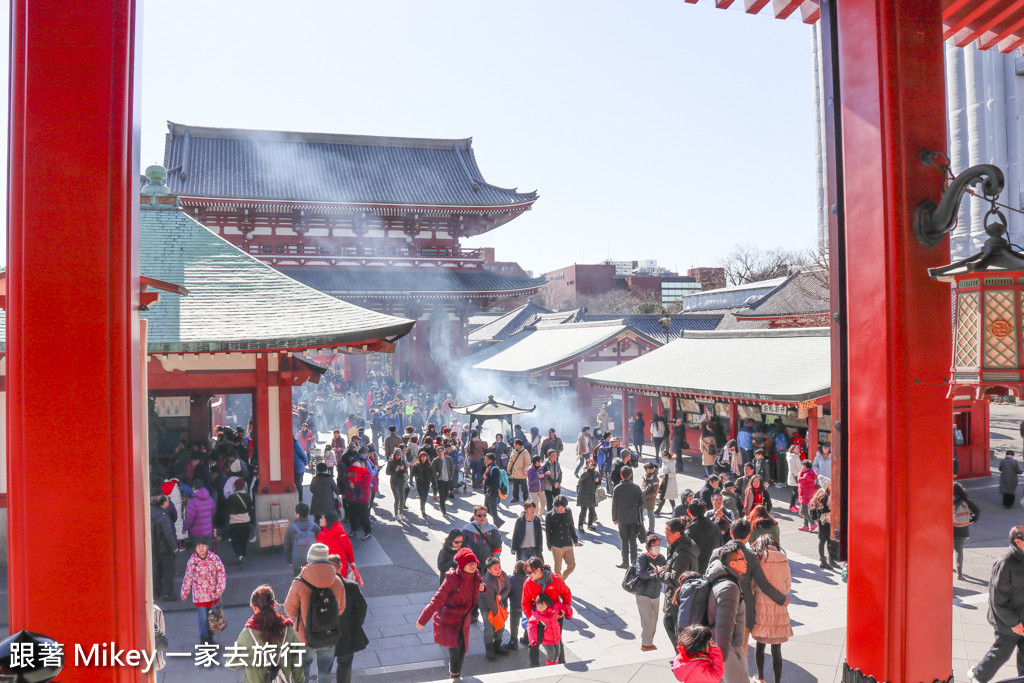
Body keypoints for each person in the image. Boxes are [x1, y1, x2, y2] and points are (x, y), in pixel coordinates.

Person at [284, 542, 347, 683]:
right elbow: (341, 609)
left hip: (304, 637)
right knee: (325, 672)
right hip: (329, 634)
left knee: (302, 672)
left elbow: (290, 610)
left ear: (309, 559)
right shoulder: (337, 581)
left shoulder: (299, 582)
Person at [968, 525, 1024, 683]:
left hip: (1022, 615)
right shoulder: (1005, 563)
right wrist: (1014, 623)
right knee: (1001, 653)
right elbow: (997, 599)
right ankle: (978, 676)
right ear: (1019, 542)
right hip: (1008, 621)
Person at [417, 547, 484, 680]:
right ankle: (454, 674)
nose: (473, 566)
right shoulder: (452, 579)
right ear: (461, 564)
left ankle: (456, 673)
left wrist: (483, 587)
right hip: (449, 618)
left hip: (464, 618)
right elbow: (437, 599)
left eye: (474, 563)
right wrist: (422, 619)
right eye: (469, 563)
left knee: (463, 648)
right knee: (456, 646)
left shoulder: (476, 575)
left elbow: (481, 583)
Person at [226, 585, 305, 683]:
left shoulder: (248, 633)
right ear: (274, 604)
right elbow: (297, 666)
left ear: (254, 607)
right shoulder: (288, 629)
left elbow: (231, 663)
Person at [750, 535, 793, 683]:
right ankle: (777, 681)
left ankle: (760, 677)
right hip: (779, 606)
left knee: (760, 644)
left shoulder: (757, 559)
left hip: (760, 606)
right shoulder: (783, 560)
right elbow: (787, 587)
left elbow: (752, 584)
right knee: (777, 649)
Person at [704, 540, 748, 683]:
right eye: (742, 559)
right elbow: (724, 625)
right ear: (732, 564)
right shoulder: (729, 587)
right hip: (729, 649)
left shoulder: (723, 578)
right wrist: (722, 658)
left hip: (722, 647)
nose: (746, 561)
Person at [522, 557, 573, 667]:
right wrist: (533, 618)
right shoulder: (528, 583)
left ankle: (561, 663)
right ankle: (534, 667)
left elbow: (566, 593)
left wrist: (564, 609)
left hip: (555, 617)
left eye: (529, 572)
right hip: (538, 619)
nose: (528, 575)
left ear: (538, 570)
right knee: (533, 643)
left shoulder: (555, 579)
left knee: (557, 640)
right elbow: (525, 603)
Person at [658, 518, 699, 647]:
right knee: (670, 623)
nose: (665, 537)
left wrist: (661, 573)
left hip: (679, 598)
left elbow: (676, 578)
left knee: (675, 628)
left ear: (677, 534)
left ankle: (682, 657)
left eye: (667, 533)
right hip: (680, 596)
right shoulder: (683, 545)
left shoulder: (682, 552)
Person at [328, 553, 368, 683]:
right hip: (347, 632)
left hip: (326, 634)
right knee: (345, 664)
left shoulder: (320, 587)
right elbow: (362, 607)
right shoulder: (351, 586)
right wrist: (357, 624)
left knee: (324, 665)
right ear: (341, 566)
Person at [179, 537, 226, 645]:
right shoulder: (192, 561)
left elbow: (221, 573)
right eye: (199, 546)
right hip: (199, 596)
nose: (201, 549)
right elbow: (188, 577)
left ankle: (210, 636)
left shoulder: (214, 558)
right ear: (195, 548)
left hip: (213, 594)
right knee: (203, 619)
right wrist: (184, 593)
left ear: (207, 547)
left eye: (203, 546)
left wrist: (220, 588)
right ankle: (204, 639)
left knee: (213, 617)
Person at [634, 534, 667, 652]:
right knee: (646, 619)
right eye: (654, 546)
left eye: (658, 545)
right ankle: (645, 643)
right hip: (643, 593)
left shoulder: (661, 558)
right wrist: (654, 572)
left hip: (655, 592)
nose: (657, 548)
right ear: (648, 547)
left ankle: (649, 642)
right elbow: (640, 573)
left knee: (654, 619)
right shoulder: (642, 557)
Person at [478, 556, 512, 660]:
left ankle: (498, 646)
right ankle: (489, 649)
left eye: (499, 567)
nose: (498, 571)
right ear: (489, 570)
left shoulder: (503, 575)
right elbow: (489, 600)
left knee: (500, 626)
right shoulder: (486, 581)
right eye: (495, 569)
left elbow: (508, 587)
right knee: (490, 628)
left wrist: (502, 596)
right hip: (487, 606)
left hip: (499, 602)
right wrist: (497, 614)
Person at [612, 465, 644, 569]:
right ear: (630, 475)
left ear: (621, 475)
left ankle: (625, 562)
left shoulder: (617, 488)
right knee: (633, 541)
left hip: (622, 518)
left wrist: (614, 518)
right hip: (634, 518)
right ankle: (634, 562)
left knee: (624, 541)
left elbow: (614, 505)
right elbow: (642, 503)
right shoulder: (636, 488)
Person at [527, 592, 572, 666]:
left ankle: (556, 664)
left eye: (542, 605)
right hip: (546, 639)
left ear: (547, 604)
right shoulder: (536, 616)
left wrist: (568, 614)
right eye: (538, 605)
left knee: (557, 652)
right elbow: (531, 626)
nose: (540, 607)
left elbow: (565, 607)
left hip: (556, 636)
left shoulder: (554, 607)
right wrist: (533, 639)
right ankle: (550, 666)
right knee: (551, 652)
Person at [317, 511, 359, 584]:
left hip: (328, 567)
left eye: (322, 519)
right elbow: (349, 548)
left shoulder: (322, 535)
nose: (320, 519)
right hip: (342, 565)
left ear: (328, 521)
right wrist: (351, 562)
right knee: (341, 585)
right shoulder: (342, 532)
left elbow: (319, 553)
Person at [684, 500, 723, 574]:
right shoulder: (716, 527)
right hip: (714, 569)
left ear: (688, 511)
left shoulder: (690, 531)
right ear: (705, 510)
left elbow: (687, 556)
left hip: (696, 572)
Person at [545, 495, 579, 579]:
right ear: (555, 507)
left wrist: (575, 539)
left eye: (563, 507)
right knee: (557, 570)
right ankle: (559, 587)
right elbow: (548, 532)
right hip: (557, 545)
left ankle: (561, 580)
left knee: (572, 565)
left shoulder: (568, 511)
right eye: (559, 508)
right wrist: (549, 545)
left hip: (568, 543)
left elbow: (571, 525)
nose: (561, 509)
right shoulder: (549, 515)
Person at [151, 495, 177, 601]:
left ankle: (156, 592)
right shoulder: (164, 516)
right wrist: (174, 547)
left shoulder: (152, 513)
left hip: (154, 547)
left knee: (157, 570)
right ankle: (167, 593)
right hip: (165, 548)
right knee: (168, 570)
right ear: (164, 503)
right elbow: (167, 534)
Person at [284, 504, 322, 578]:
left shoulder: (291, 528)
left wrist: (289, 560)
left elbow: (287, 545)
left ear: (297, 514)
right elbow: (321, 544)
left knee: (299, 583)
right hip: (312, 561)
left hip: (297, 562)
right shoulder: (315, 527)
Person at [809, 477, 839, 569]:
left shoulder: (822, 492)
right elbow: (820, 509)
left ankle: (830, 560)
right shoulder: (824, 495)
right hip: (825, 520)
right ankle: (824, 561)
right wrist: (831, 509)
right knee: (823, 540)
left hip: (827, 520)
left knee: (829, 540)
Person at [954, 481, 981, 580]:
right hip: (962, 528)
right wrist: (972, 520)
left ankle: (946, 569)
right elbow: (977, 510)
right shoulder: (965, 500)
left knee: (947, 551)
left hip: (949, 528)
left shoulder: (947, 499)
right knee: (959, 551)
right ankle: (959, 573)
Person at [225, 477, 253, 566]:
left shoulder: (231, 497)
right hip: (245, 521)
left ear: (235, 487)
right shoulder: (248, 496)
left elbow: (227, 510)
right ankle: (243, 555)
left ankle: (240, 556)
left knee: (234, 540)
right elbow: (250, 509)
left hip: (234, 522)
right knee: (244, 541)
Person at [182, 481, 216, 546]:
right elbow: (213, 512)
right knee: (208, 551)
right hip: (208, 530)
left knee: (199, 552)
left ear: (193, 488)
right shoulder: (210, 499)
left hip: (196, 532)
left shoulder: (192, 502)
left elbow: (189, 518)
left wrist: (185, 528)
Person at [576, 458, 602, 532]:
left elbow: (599, 483)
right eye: (589, 463)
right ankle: (580, 525)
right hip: (584, 494)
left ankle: (590, 524)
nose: (591, 465)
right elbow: (582, 478)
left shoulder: (595, 473)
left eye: (592, 463)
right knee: (583, 510)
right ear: (587, 465)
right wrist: (589, 470)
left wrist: (597, 481)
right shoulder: (584, 471)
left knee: (592, 509)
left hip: (592, 494)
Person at [431, 445, 457, 515]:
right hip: (440, 480)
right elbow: (432, 470)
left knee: (445, 495)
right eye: (438, 452)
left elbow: (452, 467)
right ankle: (443, 509)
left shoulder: (448, 459)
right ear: (437, 452)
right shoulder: (435, 460)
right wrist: (437, 477)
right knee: (442, 494)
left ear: (444, 451)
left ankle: (441, 503)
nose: (440, 453)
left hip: (448, 479)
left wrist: (451, 476)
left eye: (441, 451)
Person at [385, 448, 409, 520]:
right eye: (397, 455)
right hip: (394, 482)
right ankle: (396, 514)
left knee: (402, 498)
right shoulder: (391, 462)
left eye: (399, 455)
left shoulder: (402, 461)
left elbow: (405, 471)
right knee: (397, 498)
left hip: (401, 481)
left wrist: (403, 468)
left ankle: (401, 513)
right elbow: (387, 472)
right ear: (394, 455)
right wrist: (395, 470)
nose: (398, 456)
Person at [508, 561, 527, 649]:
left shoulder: (511, 579)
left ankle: (513, 641)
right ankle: (527, 638)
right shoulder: (528, 579)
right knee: (527, 622)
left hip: (515, 605)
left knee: (514, 624)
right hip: (526, 606)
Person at [483, 453, 505, 528]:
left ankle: (497, 524)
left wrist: (486, 479)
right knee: (486, 508)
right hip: (489, 491)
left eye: (486, 459)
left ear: (491, 460)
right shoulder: (490, 467)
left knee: (493, 510)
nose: (485, 460)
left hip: (493, 492)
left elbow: (494, 483)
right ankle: (499, 521)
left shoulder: (494, 469)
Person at [411, 450, 435, 518]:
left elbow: (432, 473)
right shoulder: (417, 465)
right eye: (421, 457)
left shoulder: (429, 464)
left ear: (427, 457)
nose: (423, 458)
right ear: (419, 458)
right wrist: (418, 475)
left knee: (425, 496)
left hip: (427, 483)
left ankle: (422, 507)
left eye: (424, 456)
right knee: (422, 496)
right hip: (419, 483)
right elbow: (412, 473)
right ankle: (423, 510)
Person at [796, 460, 818, 531]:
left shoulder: (807, 474)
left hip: (806, 494)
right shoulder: (809, 472)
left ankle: (813, 523)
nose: (802, 467)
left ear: (806, 467)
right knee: (804, 510)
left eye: (803, 465)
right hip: (806, 493)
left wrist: (801, 472)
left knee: (803, 511)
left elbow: (800, 480)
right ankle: (805, 525)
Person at [508, 439, 531, 504]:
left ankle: (525, 499)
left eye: (515, 444)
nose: (514, 445)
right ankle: (516, 498)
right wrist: (509, 468)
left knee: (524, 487)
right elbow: (511, 460)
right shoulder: (514, 451)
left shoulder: (525, 452)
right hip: (515, 473)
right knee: (515, 487)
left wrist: (525, 471)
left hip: (522, 473)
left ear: (519, 445)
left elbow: (527, 463)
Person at [641, 462, 659, 535]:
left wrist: (645, 496)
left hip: (650, 499)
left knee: (650, 515)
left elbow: (655, 492)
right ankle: (640, 528)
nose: (645, 470)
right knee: (640, 513)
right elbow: (644, 485)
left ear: (651, 469)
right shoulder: (647, 476)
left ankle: (651, 530)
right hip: (643, 498)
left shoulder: (655, 478)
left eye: (646, 469)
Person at [294, 437, 310, 504]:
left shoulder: (296, 445)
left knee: (298, 483)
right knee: (297, 483)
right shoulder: (293, 445)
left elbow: (303, 455)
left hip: (298, 468)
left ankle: (300, 498)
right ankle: (298, 497)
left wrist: (306, 463)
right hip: (295, 467)